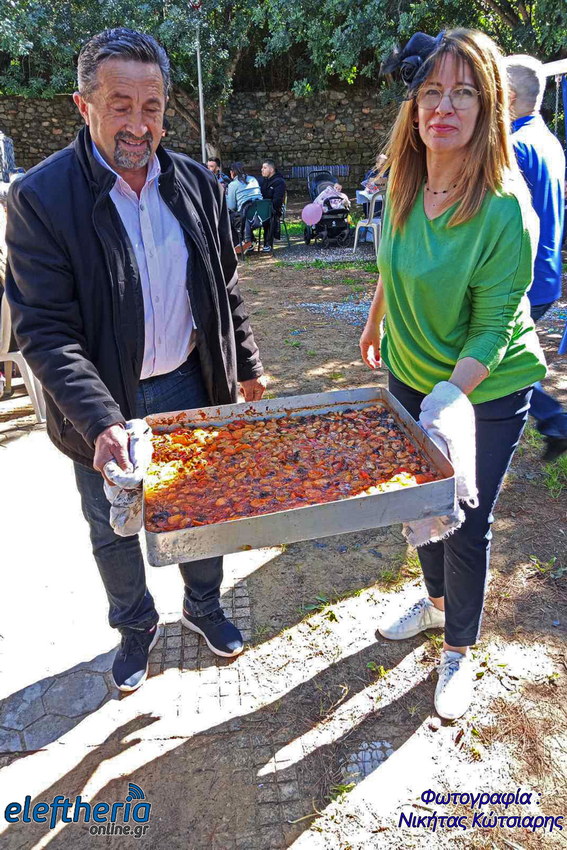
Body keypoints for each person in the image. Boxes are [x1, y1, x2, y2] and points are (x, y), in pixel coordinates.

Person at [5, 28, 267, 693]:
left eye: (151, 107)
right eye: (120, 105)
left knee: (201, 510)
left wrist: (245, 363)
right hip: (101, 403)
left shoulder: (195, 184)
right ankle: (135, 627)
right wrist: (100, 422)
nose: (138, 124)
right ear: (83, 104)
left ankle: (203, 606)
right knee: (112, 526)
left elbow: (223, 285)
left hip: (189, 384)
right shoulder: (40, 198)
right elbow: (46, 331)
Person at [359, 29, 546, 720]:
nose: (444, 106)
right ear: (412, 106)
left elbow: (493, 328)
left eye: (463, 93)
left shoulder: (503, 207)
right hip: (411, 372)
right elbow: (391, 259)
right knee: (418, 505)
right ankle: (436, 604)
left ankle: (460, 649)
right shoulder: (404, 178)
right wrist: (375, 322)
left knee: (462, 519)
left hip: (484, 387)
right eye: (431, 91)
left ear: (488, 106)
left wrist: (448, 396)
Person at [506, 55, 567, 462]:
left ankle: (556, 421)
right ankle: (553, 421)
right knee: (506, 358)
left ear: (508, 96)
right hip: (545, 275)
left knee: (496, 360)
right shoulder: (548, 140)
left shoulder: (514, 147)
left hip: (522, 278)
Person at [226, 162, 262, 253]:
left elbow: (231, 206)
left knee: (228, 218)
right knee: (242, 215)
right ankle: (250, 240)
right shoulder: (253, 179)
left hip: (246, 215)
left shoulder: (233, 184)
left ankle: (241, 242)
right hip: (261, 214)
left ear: (232, 172)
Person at [259, 159, 286, 252]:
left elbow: (277, 201)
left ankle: (268, 243)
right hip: (261, 208)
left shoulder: (279, 182)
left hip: (274, 210)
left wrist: (268, 207)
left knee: (270, 216)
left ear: (271, 170)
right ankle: (250, 241)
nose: (262, 170)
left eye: (264, 168)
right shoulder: (263, 181)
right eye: (262, 167)